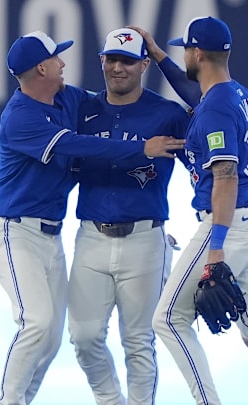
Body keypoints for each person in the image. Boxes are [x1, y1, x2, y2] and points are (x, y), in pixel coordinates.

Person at [0, 31, 184, 405]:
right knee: (42, 324)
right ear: (42, 67)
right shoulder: (20, 117)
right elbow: (78, 145)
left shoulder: (71, 100)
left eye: (127, 60)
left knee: (56, 335)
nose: (63, 63)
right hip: (15, 229)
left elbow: (205, 123)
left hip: (57, 235)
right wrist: (141, 147)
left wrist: (160, 57)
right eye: (57, 58)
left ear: (141, 64)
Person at [129, 17, 248, 405]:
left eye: (184, 48)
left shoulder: (215, 109)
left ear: (197, 52)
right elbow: (198, 95)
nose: (182, 54)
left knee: (168, 319)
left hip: (228, 226)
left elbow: (225, 177)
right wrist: (160, 57)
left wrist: (216, 250)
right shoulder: (236, 93)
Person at [67, 28, 190, 405]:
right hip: (91, 234)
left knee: (138, 341)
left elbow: (209, 163)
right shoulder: (83, 110)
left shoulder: (167, 114)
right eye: (112, 59)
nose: (118, 68)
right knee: (84, 337)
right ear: (101, 60)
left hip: (144, 238)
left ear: (144, 64)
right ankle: (110, 400)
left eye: (128, 61)